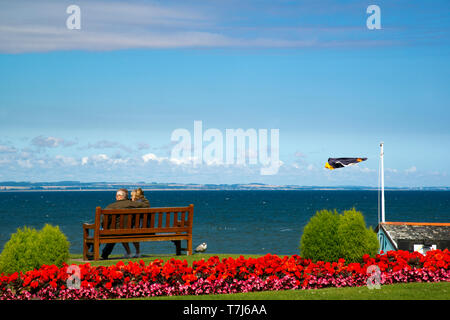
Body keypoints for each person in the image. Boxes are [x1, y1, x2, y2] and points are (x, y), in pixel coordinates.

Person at [100, 188, 149, 260]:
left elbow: (104, 220)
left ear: (117, 197)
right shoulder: (132, 204)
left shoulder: (111, 206)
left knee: (114, 232)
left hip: (115, 232)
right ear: (126, 197)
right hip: (129, 230)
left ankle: (100, 253)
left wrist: (104, 227)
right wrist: (141, 197)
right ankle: (105, 253)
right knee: (120, 231)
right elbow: (146, 205)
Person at [125, 188, 150, 258]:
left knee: (124, 232)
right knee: (132, 231)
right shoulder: (145, 203)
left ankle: (129, 252)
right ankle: (137, 252)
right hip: (145, 228)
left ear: (135, 197)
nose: (130, 198)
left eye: (131, 196)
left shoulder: (133, 205)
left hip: (137, 229)